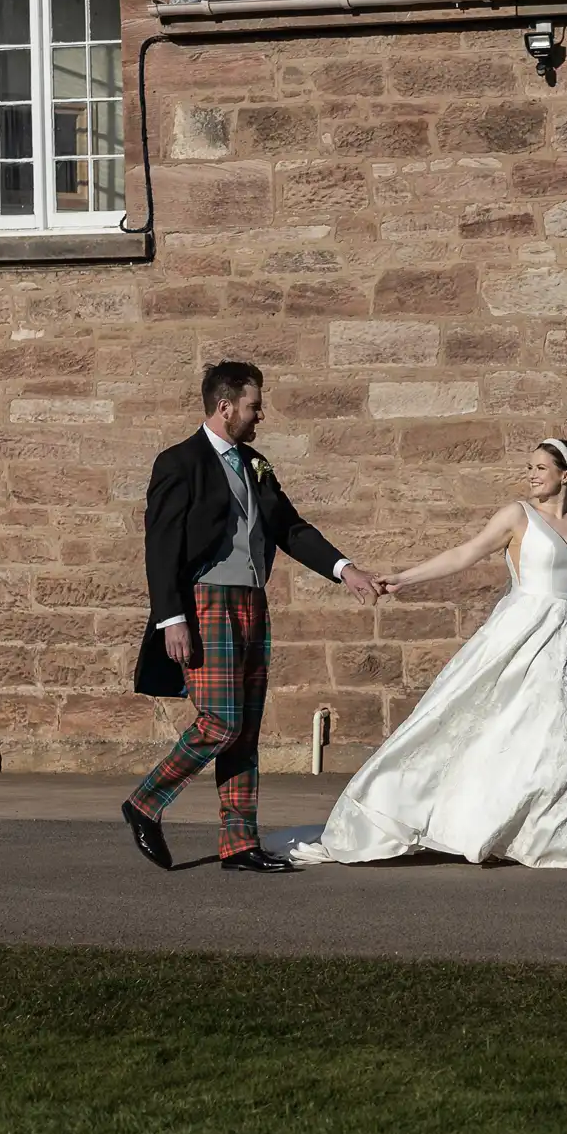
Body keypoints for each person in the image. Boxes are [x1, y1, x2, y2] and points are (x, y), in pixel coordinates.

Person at [275, 439, 567, 869]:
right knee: (468, 722)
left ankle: (548, 841)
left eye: (541, 468)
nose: (531, 475)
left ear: (566, 476)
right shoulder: (517, 516)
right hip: (516, 636)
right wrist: (404, 579)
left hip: (558, 644)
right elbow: (465, 553)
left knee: (559, 737)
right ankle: (396, 806)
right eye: (529, 467)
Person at [124, 361, 382, 874]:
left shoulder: (256, 464)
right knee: (221, 721)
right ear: (226, 407)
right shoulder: (180, 463)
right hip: (204, 604)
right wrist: (170, 618)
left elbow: (290, 527)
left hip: (252, 603)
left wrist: (344, 569)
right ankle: (145, 802)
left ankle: (239, 845)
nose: (259, 415)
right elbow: (161, 547)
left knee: (245, 730)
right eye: (253, 406)